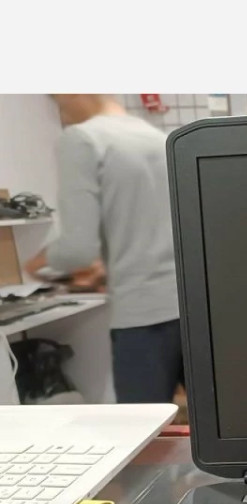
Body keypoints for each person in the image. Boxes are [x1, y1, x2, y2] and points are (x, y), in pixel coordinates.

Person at [26, 94, 183, 404]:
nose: (61, 113)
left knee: (140, 427)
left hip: (142, 315)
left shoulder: (83, 140)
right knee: (214, 424)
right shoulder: (157, 138)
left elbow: (78, 249)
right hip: (188, 307)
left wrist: (35, 263)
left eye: (59, 101)